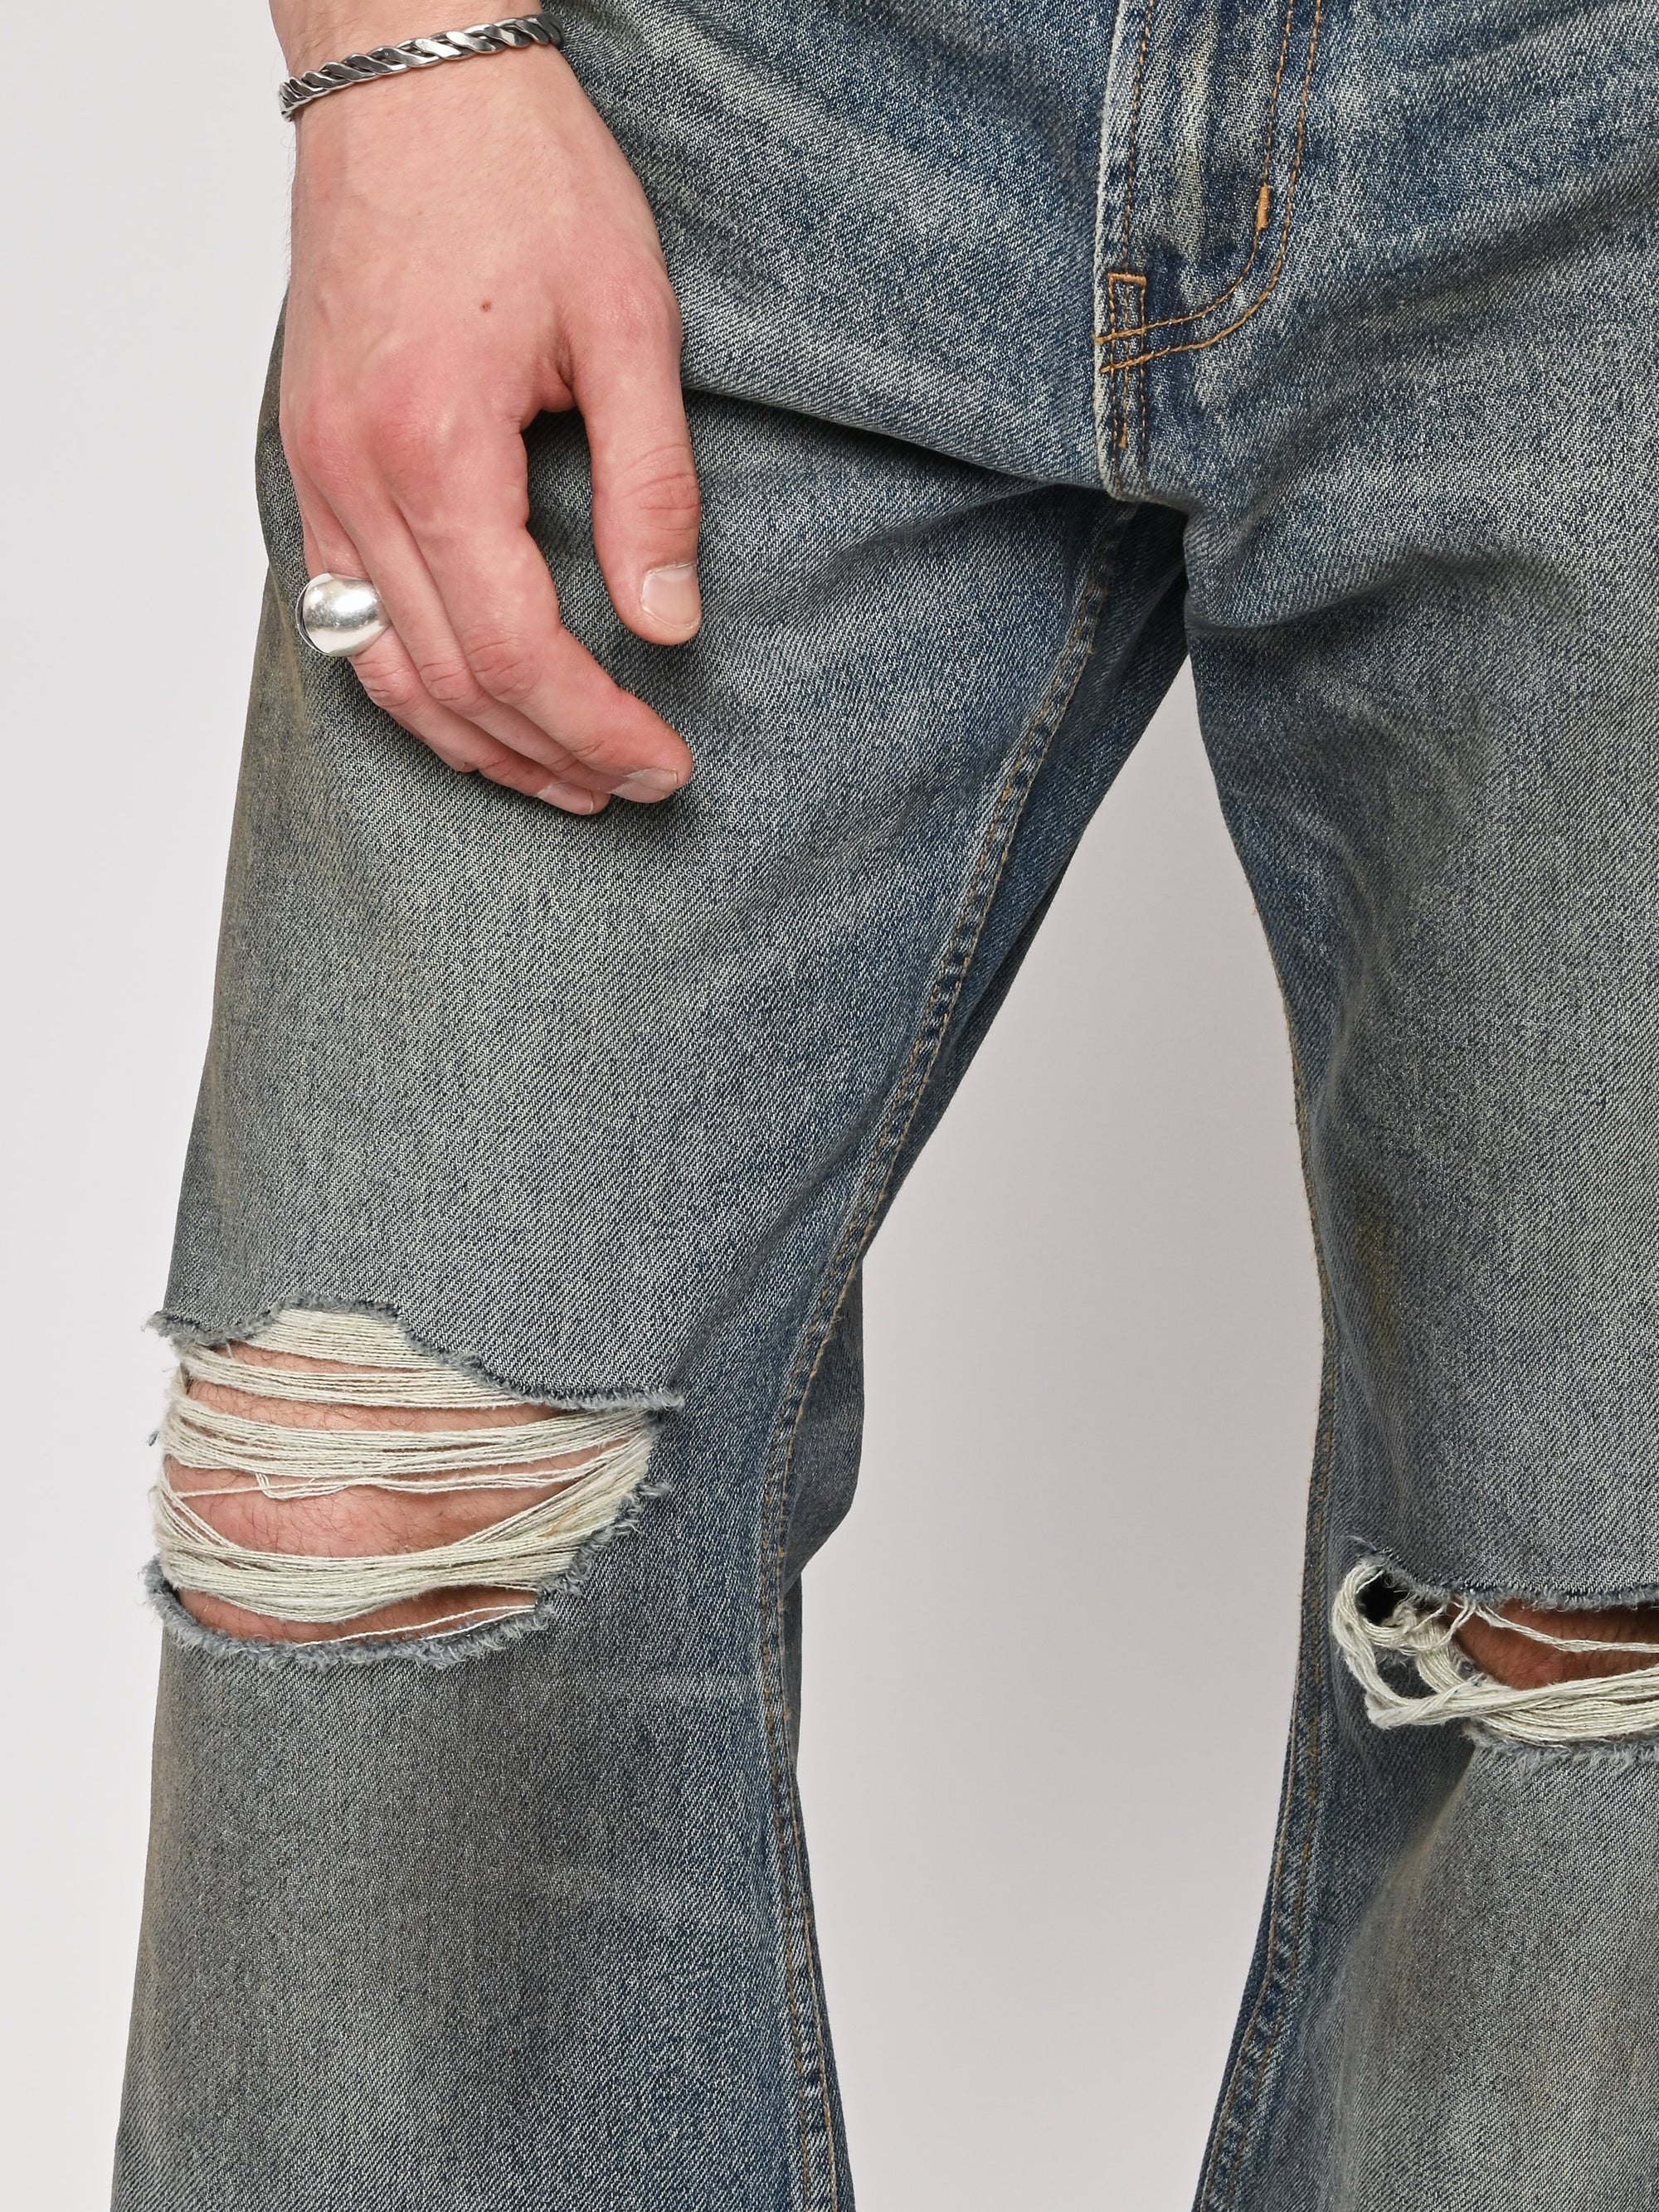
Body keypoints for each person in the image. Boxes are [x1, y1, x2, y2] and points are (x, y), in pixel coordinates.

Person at [113, 0, 1659, 2204]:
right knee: (372, 1500)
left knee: (1600, 1665)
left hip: (1601, 147)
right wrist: (397, 62)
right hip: (734, 94)